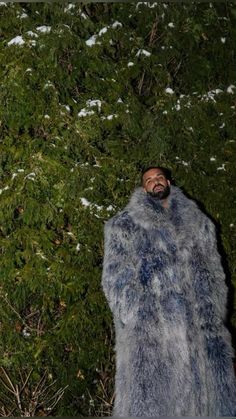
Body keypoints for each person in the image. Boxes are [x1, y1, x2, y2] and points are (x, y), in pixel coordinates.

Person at [102, 166, 236, 416]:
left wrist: (214, 312)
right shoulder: (124, 224)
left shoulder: (200, 223)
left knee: (206, 405)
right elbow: (114, 279)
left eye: (159, 177)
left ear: (169, 182)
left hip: (200, 333)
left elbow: (216, 272)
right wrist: (142, 317)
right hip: (151, 341)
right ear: (144, 188)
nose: (155, 182)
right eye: (149, 180)